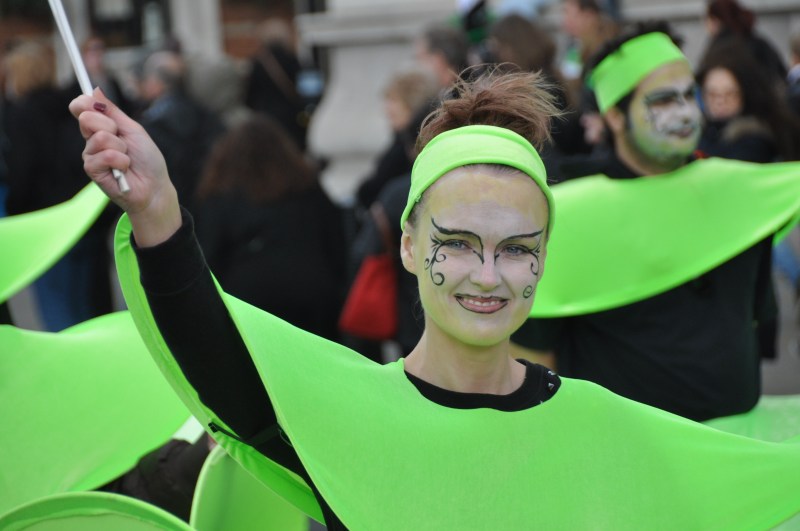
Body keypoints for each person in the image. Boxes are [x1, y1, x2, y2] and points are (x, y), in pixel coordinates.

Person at [71, 69, 800, 529]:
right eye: (457, 243)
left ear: (544, 260)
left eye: (516, 248)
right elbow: (217, 350)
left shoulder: (603, 426)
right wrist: (158, 210)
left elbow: (747, 483)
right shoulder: (344, 417)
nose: (489, 275)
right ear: (410, 245)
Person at [512, 24, 778, 422]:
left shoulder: (734, 191)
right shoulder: (571, 213)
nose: (686, 112)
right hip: (623, 460)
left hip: (736, 450)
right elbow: (535, 355)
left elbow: (754, 320)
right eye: (664, 100)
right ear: (615, 116)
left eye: (691, 95)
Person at [193, 116, 347, 343]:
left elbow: (209, 256)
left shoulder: (220, 195)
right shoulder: (307, 186)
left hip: (249, 300)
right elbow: (337, 241)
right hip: (312, 292)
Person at [696, 40, 800, 163]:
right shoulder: (701, 132)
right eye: (712, 94)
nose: (720, 102)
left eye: (730, 94)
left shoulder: (756, 138)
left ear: (745, 93)